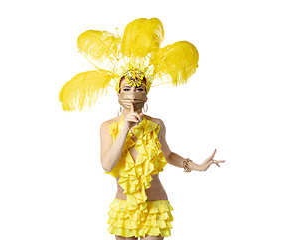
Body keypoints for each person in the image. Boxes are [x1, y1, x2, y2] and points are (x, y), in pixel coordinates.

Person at [59, 18, 225, 239]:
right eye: (127, 88)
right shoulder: (107, 127)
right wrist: (125, 128)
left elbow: (167, 155)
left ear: (146, 95)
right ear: (118, 95)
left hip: (155, 206)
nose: (133, 93)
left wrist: (195, 166)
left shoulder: (156, 124)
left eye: (138, 88)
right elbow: (107, 165)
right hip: (124, 209)